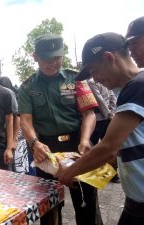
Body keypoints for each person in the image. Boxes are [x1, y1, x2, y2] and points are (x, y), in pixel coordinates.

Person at [56, 32, 144, 225]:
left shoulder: (138, 86)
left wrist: (69, 172)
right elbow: (125, 145)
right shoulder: (129, 88)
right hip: (136, 201)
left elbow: (108, 147)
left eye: (94, 71)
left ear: (109, 58)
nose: (95, 80)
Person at [18, 34, 102, 225]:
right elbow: (25, 120)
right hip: (46, 150)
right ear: (35, 57)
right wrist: (34, 143)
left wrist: (85, 139)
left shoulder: (75, 79)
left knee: (86, 202)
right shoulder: (28, 86)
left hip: (77, 146)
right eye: (47, 58)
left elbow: (89, 113)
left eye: (57, 57)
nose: (53, 62)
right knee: (49, 208)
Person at [87, 78, 120, 183]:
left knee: (96, 148)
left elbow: (99, 100)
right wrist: (112, 113)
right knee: (106, 147)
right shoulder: (103, 80)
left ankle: (106, 174)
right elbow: (111, 97)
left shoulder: (91, 81)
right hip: (107, 118)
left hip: (98, 119)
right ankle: (111, 175)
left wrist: (109, 114)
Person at [0, 76, 31, 174]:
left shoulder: (14, 97)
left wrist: (14, 140)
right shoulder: (2, 97)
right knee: (10, 164)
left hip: (18, 135)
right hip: (8, 135)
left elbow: (18, 117)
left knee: (18, 165)